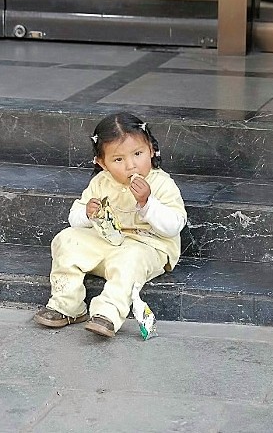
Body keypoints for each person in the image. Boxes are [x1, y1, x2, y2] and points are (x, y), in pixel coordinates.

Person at [34, 112, 187, 338]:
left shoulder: (161, 183)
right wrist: (87, 214)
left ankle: (107, 314)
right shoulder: (100, 182)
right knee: (66, 239)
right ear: (102, 163)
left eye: (138, 154)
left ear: (152, 150)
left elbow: (174, 225)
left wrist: (147, 203)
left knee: (130, 259)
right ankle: (67, 305)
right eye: (118, 160)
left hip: (147, 247)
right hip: (106, 244)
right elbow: (75, 218)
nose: (131, 165)